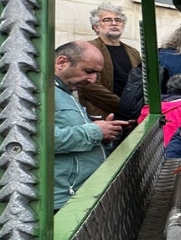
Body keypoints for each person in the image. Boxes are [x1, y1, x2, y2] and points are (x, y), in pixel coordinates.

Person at [55, 42, 129, 210]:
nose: (93, 80)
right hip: (62, 199)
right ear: (61, 62)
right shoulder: (43, 93)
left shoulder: (65, 93)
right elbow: (39, 141)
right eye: (88, 71)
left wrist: (106, 133)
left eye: (96, 73)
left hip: (77, 194)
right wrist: (96, 131)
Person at [79, 2, 142, 121]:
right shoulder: (87, 49)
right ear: (96, 27)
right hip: (102, 115)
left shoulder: (133, 52)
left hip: (132, 115)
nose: (114, 23)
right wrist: (123, 105)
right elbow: (88, 85)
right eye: (107, 20)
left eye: (118, 20)